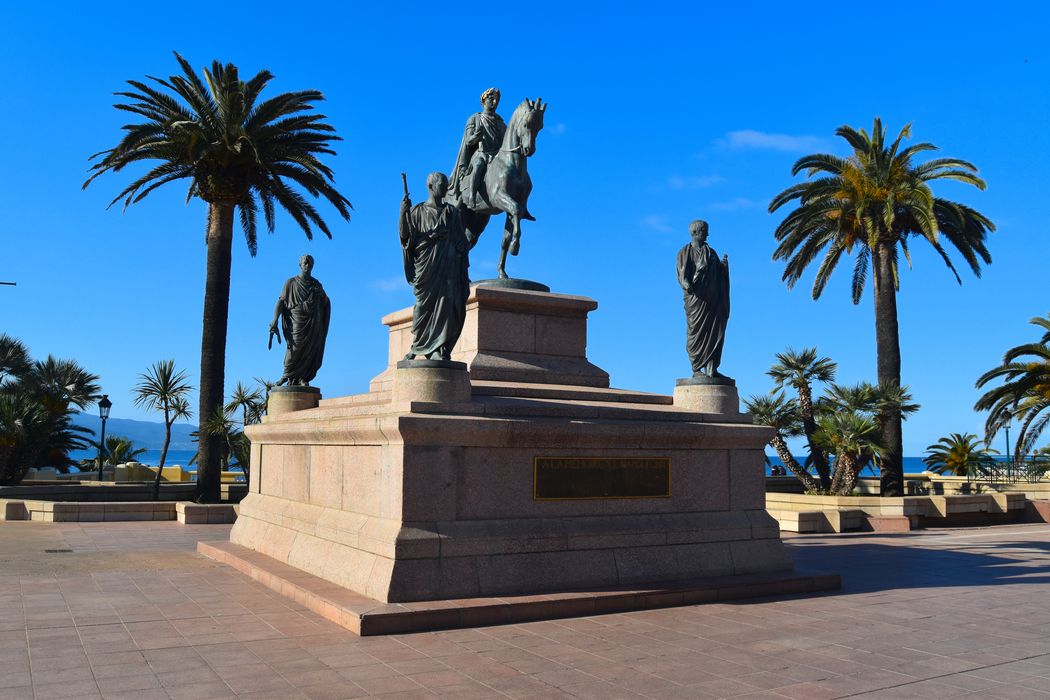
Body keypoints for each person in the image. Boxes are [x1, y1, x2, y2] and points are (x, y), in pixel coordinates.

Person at [399, 172, 471, 360]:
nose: (446, 188)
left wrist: (461, 256)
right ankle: (418, 345)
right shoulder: (417, 211)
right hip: (426, 268)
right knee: (422, 306)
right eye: (442, 185)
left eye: (447, 184)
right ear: (431, 187)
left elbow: (462, 242)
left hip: (448, 268)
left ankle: (439, 348)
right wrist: (402, 213)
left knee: (446, 304)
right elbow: (406, 237)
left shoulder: (452, 212)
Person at [676, 220, 731, 378]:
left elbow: (718, 274)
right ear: (695, 233)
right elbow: (682, 274)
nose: (707, 234)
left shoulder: (710, 252)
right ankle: (697, 369)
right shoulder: (684, 252)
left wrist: (724, 268)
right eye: (704, 231)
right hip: (696, 301)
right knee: (696, 333)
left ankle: (712, 369)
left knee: (714, 332)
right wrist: (687, 284)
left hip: (713, 300)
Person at [269, 254, 331, 386]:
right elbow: (281, 302)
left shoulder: (316, 283)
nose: (307, 265)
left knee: (310, 349)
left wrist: (321, 293)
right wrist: (275, 319)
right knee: (294, 347)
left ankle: (303, 377)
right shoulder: (290, 282)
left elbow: (326, 301)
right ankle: (286, 375)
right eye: (305, 263)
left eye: (309, 263)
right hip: (296, 320)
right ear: (300, 265)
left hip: (314, 321)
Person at [449, 87, 507, 210]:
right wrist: (475, 136)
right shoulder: (475, 118)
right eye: (492, 99)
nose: (495, 102)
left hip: (497, 156)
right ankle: (472, 196)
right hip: (481, 153)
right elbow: (468, 141)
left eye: (497, 100)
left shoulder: (500, 122)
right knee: (479, 165)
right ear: (484, 100)